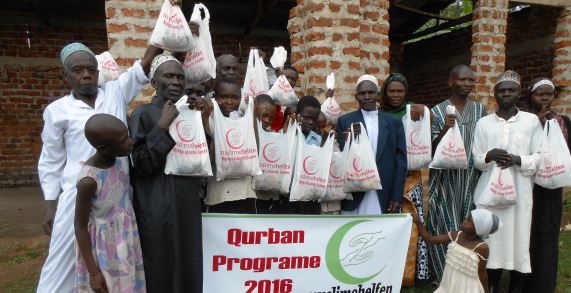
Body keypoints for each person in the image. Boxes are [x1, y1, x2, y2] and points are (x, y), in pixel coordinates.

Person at [37, 42, 160, 292]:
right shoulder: (57, 111)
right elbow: (51, 159)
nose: (86, 75)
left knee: (117, 253)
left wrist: (168, 31)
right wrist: (51, 203)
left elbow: (142, 67)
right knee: (62, 254)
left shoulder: (114, 92)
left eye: (91, 69)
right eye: (78, 70)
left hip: (115, 192)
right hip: (77, 191)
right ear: (66, 74)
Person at [129, 55, 203, 293]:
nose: (175, 82)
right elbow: (140, 163)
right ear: (154, 82)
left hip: (186, 201)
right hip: (156, 203)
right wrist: (162, 126)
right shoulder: (143, 114)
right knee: (160, 265)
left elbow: (201, 159)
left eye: (180, 77)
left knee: (189, 263)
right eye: (168, 76)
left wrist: (206, 120)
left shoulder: (190, 113)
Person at [472, 70, 542, 293]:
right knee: (493, 239)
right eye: (502, 90)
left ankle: (515, 288)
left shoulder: (530, 122)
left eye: (511, 90)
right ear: (495, 94)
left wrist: (518, 160)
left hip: (519, 194)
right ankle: (491, 285)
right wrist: (490, 156)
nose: (506, 94)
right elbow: (476, 159)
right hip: (489, 194)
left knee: (518, 239)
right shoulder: (484, 123)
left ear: (518, 93)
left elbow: (540, 156)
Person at [428, 65, 487, 281]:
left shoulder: (480, 111)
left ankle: (465, 271)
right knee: (443, 219)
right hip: (446, 179)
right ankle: (441, 272)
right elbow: (430, 150)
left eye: (471, 80)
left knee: (468, 222)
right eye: (462, 80)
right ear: (450, 82)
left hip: (471, 177)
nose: (467, 84)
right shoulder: (436, 111)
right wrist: (445, 128)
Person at [74, 114, 144, 293]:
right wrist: (93, 272)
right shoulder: (89, 180)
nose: (130, 141)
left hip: (126, 235)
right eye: (124, 140)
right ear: (104, 148)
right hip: (106, 246)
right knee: (110, 287)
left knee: (130, 283)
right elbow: (80, 227)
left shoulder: (119, 158)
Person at [380, 72, 430, 281]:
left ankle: (414, 273)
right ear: (384, 93)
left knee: (412, 222)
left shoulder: (413, 111)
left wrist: (426, 113)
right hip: (387, 176)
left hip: (411, 176)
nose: (396, 95)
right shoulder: (378, 112)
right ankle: (387, 271)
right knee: (389, 223)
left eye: (400, 91)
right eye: (391, 91)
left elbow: (429, 128)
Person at [336, 74, 407, 215]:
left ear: (378, 95)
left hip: (383, 193)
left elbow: (401, 162)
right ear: (356, 97)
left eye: (371, 92)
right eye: (362, 93)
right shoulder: (344, 121)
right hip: (354, 195)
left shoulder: (394, 123)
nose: (367, 97)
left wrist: (396, 196)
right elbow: (340, 158)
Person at [523, 78, 569, 293]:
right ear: (530, 96)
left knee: (548, 233)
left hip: (551, 187)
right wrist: (537, 124)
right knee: (528, 233)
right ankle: (524, 282)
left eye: (548, 94)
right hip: (528, 186)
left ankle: (544, 283)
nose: (544, 98)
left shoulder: (563, 121)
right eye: (539, 94)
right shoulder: (524, 120)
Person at [413, 209, 502, 293]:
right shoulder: (456, 235)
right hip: (449, 281)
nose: (465, 220)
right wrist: (418, 223)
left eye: (469, 221)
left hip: (467, 287)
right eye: (467, 218)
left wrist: (486, 291)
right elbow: (430, 239)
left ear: (478, 229)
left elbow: (482, 273)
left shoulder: (482, 248)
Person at [204, 76, 259, 213]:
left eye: (234, 97)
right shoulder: (209, 120)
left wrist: (252, 115)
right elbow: (208, 159)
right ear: (215, 98)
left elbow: (255, 150)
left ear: (240, 98)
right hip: (217, 195)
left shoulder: (244, 119)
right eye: (223, 97)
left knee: (244, 234)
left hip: (245, 193)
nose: (229, 102)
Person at [278, 96, 323, 214]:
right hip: (286, 199)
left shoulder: (318, 140)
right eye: (307, 118)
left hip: (310, 201)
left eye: (314, 119)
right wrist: (289, 134)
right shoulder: (284, 134)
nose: (311, 122)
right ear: (297, 114)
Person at [253, 94, 279, 214]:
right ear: (254, 110)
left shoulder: (274, 138)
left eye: (271, 117)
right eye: (264, 115)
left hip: (266, 196)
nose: (267, 121)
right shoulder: (243, 130)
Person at [271, 64, 300, 132]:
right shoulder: (271, 94)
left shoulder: (295, 102)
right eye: (287, 77)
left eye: (293, 79)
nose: (289, 81)